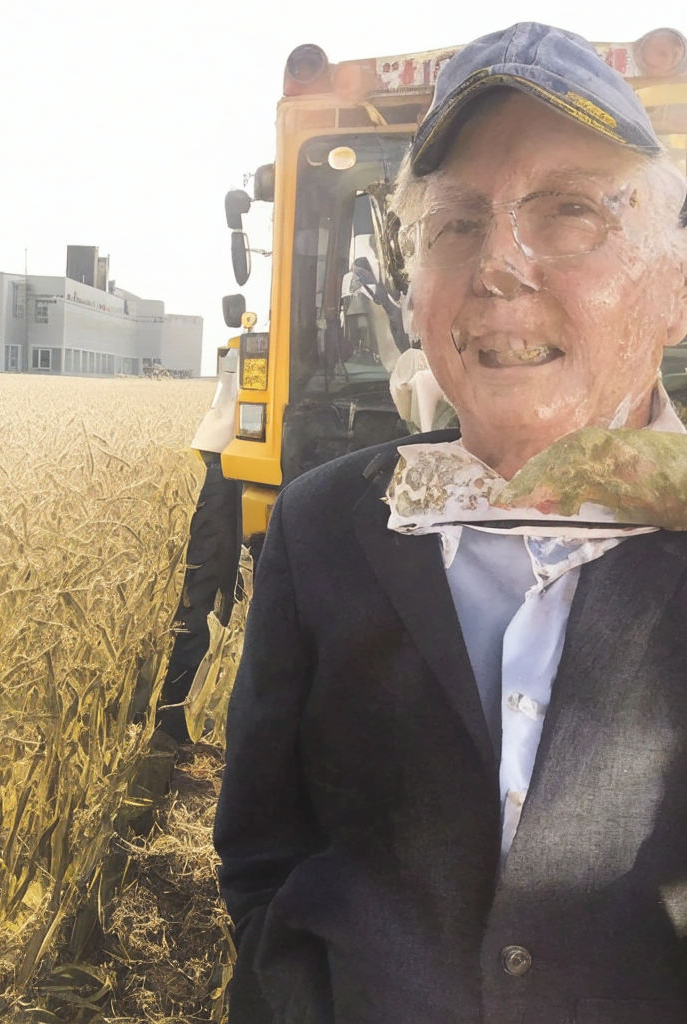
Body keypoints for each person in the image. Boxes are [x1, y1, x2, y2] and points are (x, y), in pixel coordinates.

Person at [214, 22, 687, 1024]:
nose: (497, 266)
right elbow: (261, 853)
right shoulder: (321, 528)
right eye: (456, 225)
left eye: (570, 212)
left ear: (675, 288)